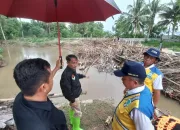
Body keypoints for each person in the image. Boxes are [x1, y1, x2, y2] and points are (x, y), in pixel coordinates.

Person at [13, 58, 68, 130]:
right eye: (51, 77)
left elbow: (44, 80)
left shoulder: (21, 97)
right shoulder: (43, 126)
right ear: (44, 87)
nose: (52, 78)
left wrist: (56, 68)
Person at [112, 61, 154, 130]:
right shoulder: (143, 89)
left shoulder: (139, 108)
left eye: (124, 78)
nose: (121, 79)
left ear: (134, 82)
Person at [60, 54, 88, 130]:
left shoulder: (72, 70)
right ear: (68, 63)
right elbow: (66, 89)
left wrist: (83, 76)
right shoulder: (66, 74)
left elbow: (76, 76)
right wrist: (72, 100)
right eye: (73, 63)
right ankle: (76, 128)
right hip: (73, 96)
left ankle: (72, 122)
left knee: (73, 109)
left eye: (76, 62)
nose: (75, 64)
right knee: (77, 112)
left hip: (75, 95)